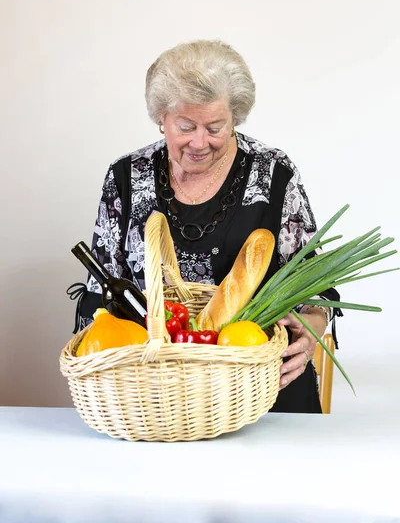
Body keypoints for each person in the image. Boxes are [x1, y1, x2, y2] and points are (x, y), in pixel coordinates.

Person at [79, 39, 341, 414]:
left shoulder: (273, 174)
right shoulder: (126, 177)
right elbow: (99, 294)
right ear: (161, 119)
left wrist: (312, 325)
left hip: (262, 389)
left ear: (235, 117)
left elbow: (316, 285)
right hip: (152, 395)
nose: (200, 142)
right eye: (186, 126)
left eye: (216, 127)